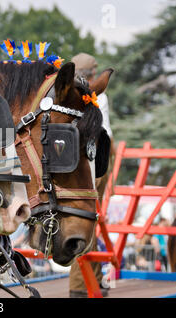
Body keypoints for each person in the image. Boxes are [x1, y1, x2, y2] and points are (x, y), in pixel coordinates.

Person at [68, 52, 114, 298]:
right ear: (92, 75)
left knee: (87, 224)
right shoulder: (96, 96)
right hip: (91, 167)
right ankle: (79, 286)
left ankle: (92, 281)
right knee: (85, 223)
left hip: (70, 165)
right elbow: (104, 137)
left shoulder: (63, 93)